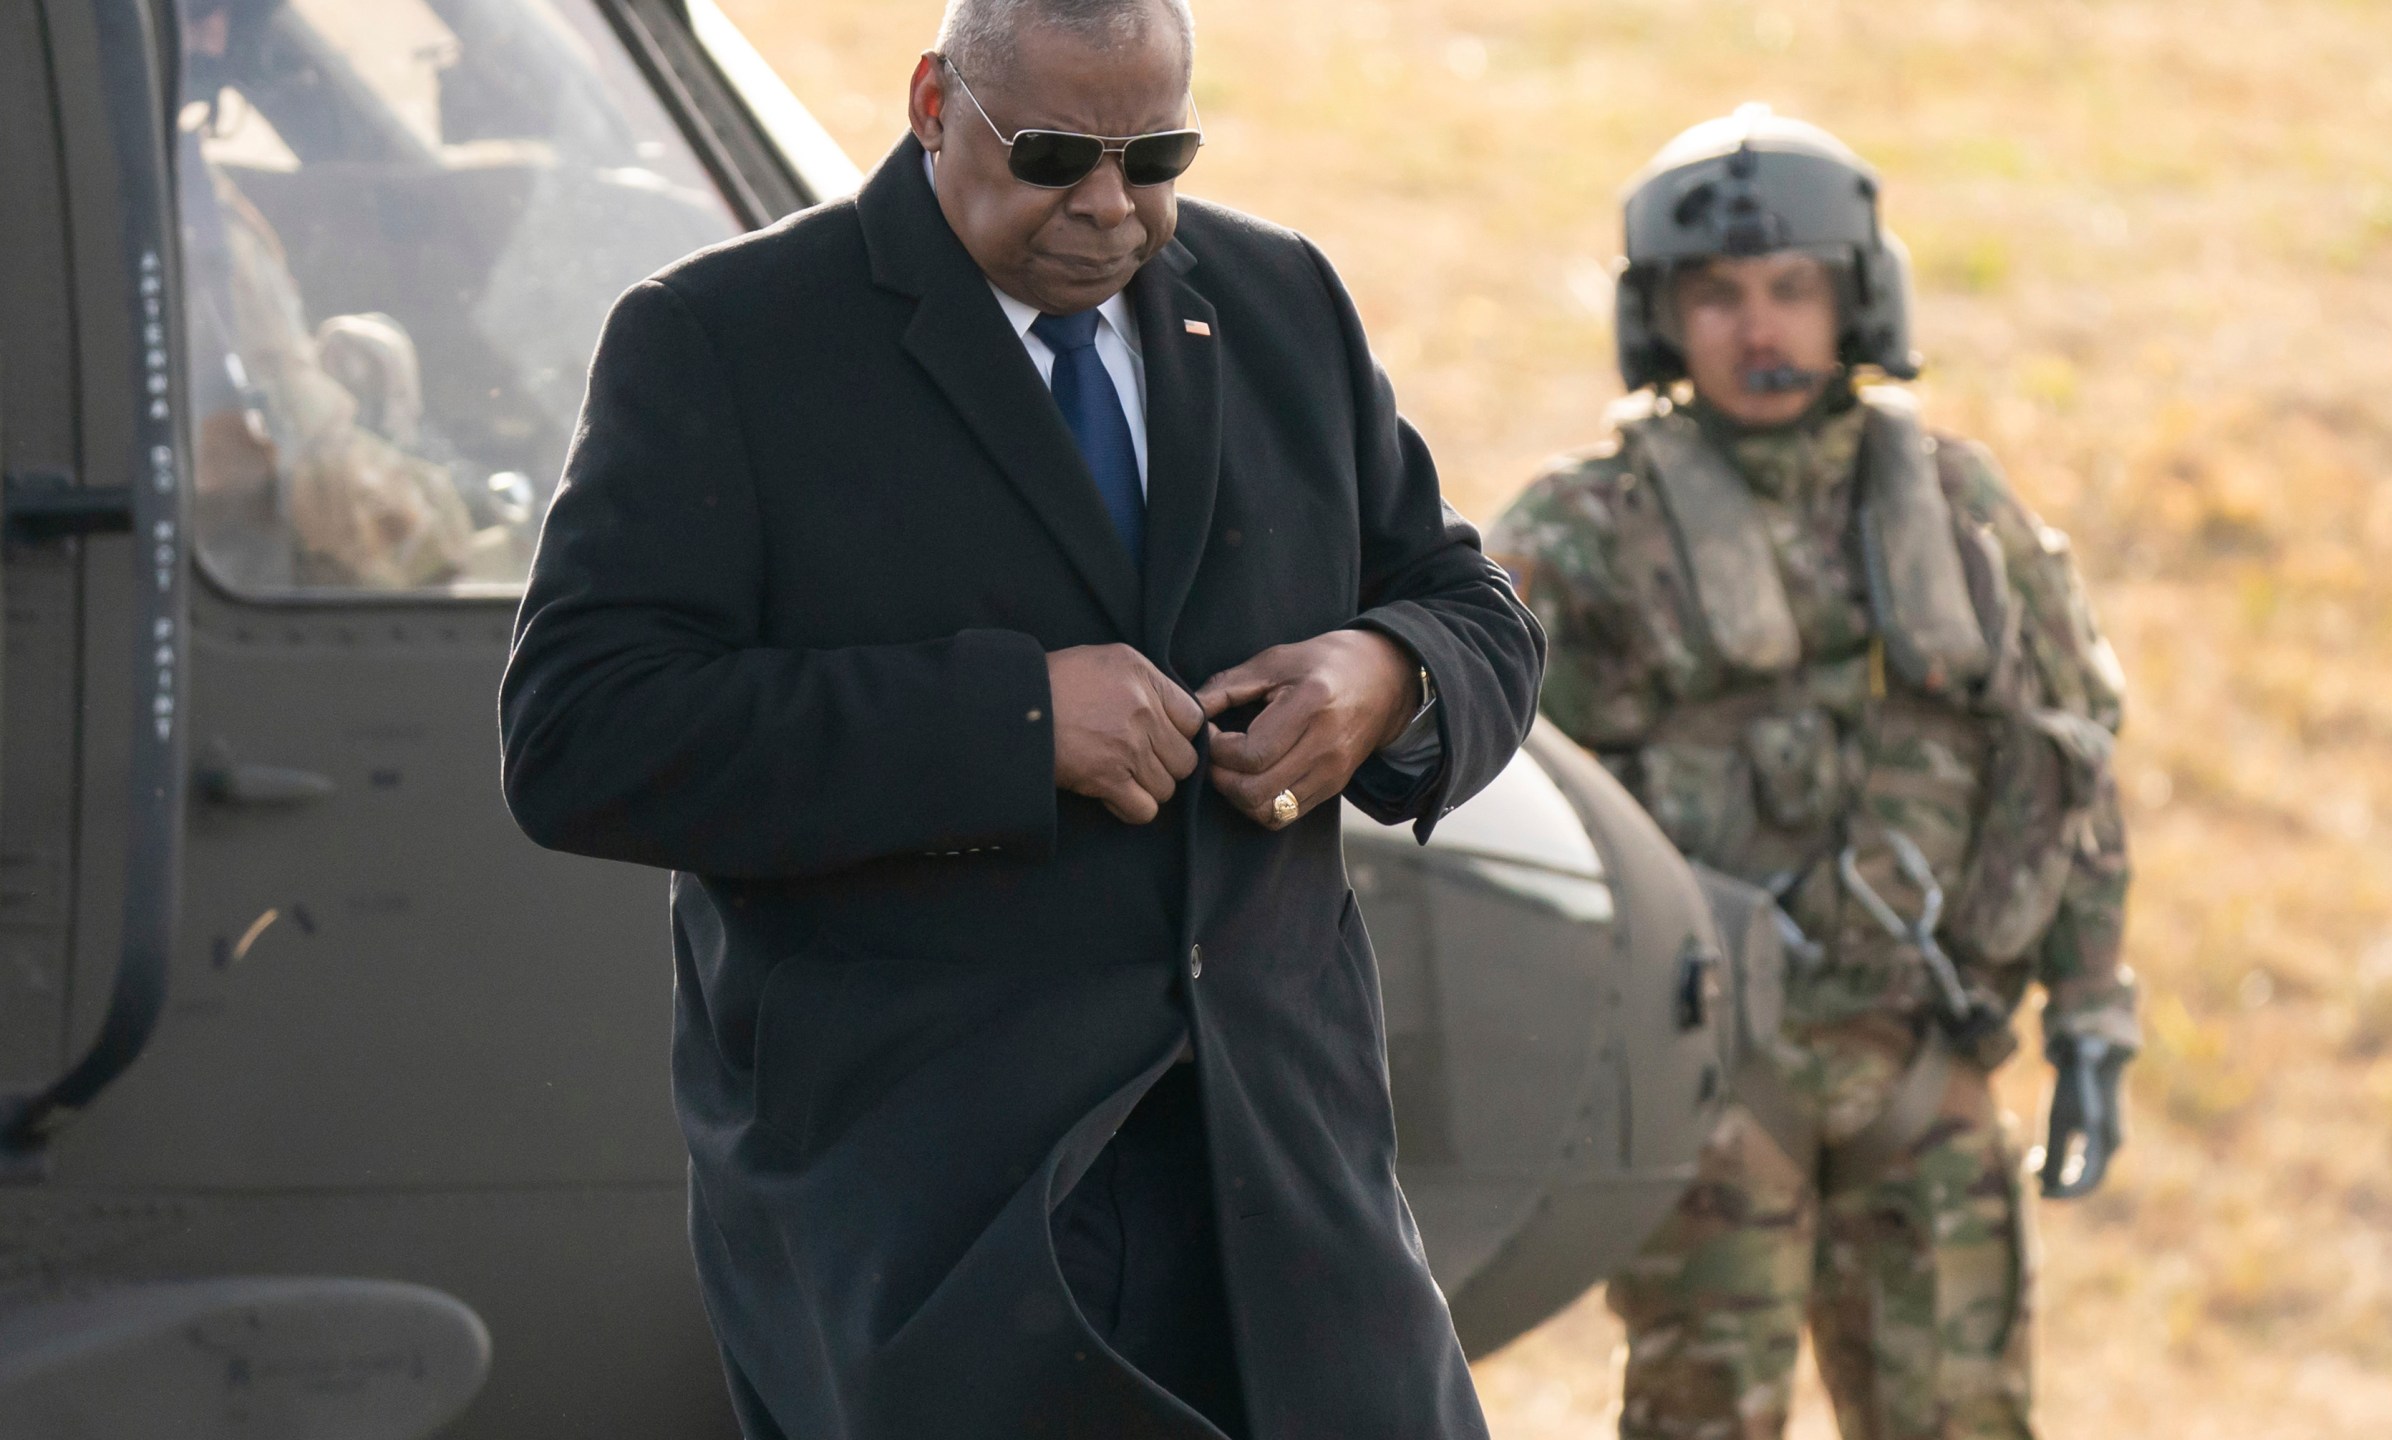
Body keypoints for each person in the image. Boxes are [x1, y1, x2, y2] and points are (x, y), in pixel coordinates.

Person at [497, 1, 1542, 1436]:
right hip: (943, 1223)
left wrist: (1386, 676)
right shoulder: (722, 342)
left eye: (1155, 153)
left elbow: (1470, 604)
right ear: (934, 103)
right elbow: (580, 737)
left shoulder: (1279, 297)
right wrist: (1010, 722)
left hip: (1287, 1193)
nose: (1110, 205)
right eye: (1054, 153)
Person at [1488, 107, 2139, 1440]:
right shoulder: (1581, 533)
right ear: (1661, 316)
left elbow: (2066, 759)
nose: (1757, 328)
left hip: (1926, 1052)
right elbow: (1497, 806)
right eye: (1716, 295)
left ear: (1859, 299)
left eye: (1793, 289)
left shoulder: (1958, 508)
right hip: (1703, 1078)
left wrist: (2089, 1012)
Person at [176, 0, 498, 591]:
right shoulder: (170, 208)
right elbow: (303, 461)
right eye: (197, 13)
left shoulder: (175, 183)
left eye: (229, 15)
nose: (217, 41)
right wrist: (457, 536)